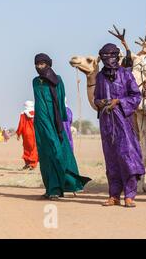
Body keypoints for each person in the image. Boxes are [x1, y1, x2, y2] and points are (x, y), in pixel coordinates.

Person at [33, 53, 91, 200]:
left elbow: (60, 103)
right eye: (37, 64)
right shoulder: (35, 81)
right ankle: (50, 189)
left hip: (55, 121)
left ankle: (59, 187)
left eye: (42, 64)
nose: (39, 67)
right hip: (40, 122)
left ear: (48, 64)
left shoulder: (58, 80)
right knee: (45, 156)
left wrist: (61, 123)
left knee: (57, 153)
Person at [94, 43, 145, 208]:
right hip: (106, 123)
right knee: (111, 159)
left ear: (116, 57)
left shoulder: (126, 75)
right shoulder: (100, 77)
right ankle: (113, 195)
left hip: (123, 121)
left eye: (110, 56)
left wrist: (119, 102)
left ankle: (130, 195)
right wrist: (100, 103)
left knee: (126, 157)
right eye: (104, 56)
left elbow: (136, 96)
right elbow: (95, 98)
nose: (107, 59)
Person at [16, 100, 38, 170]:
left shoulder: (23, 114)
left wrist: (18, 133)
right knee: (33, 149)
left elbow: (21, 125)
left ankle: (27, 163)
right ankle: (33, 164)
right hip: (34, 133)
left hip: (25, 134)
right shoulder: (36, 113)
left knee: (26, 149)